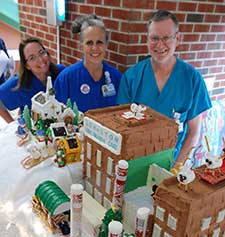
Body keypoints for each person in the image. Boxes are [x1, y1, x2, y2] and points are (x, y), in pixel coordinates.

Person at [117, 10, 212, 170]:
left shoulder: (193, 79)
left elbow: (193, 131)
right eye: (154, 38)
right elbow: (121, 127)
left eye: (167, 38)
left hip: (172, 162)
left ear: (177, 38)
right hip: (134, 163)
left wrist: (176, 168)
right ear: (147, 39)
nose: (160, 45)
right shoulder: (132, 77)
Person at [54, 14, 122, 113]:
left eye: (99, 42)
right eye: (89, 43)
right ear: (81, 46)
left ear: (106, 45)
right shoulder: (66, 79)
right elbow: (56, 115)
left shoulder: (117, 78)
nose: (95, 48)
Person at [0, 37, 65, 123]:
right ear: (27, 65)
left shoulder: (61, 72)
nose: (41, 59)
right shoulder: (20, 83)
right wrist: (13, 124)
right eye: (32, 58)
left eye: (42, 53)